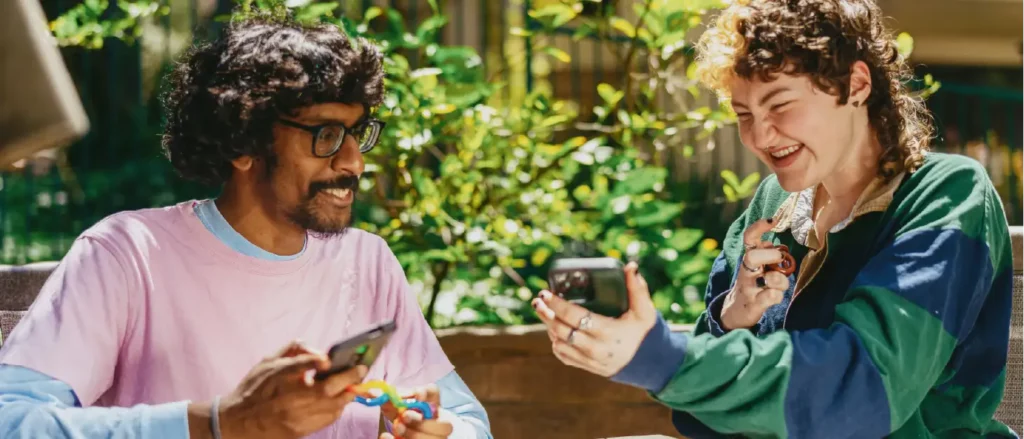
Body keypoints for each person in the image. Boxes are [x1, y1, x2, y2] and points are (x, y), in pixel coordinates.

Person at [533, 0, 1016, 438]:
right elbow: (701, 423)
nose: (760, 137)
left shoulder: (947, 193)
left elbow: (863, 393)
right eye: (743, 113)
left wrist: (660, 358)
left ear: (857, 85)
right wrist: (734, 318)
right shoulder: (774, 204)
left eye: (781, 104)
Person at [0, 16, 492, 439]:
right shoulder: (128, 254)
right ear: (243, 144)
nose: (354, 162)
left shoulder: (366, 261)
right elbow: (14, 422)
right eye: (326, 135)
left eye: (357, 132)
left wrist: (435, 429)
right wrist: (220, 423)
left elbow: (468, 420)